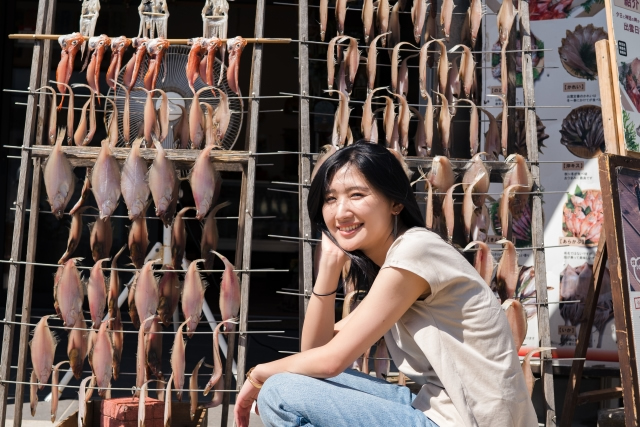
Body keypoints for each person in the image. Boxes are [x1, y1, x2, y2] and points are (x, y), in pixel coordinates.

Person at [234, 142, 537, 427]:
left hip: (469, 419)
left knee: (280, 391)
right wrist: (327, 270)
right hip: (443, 408)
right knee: (290, 381)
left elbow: (330, 361)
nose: (340, 212)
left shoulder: (414, 252)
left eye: (356, 195)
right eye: (330, 198)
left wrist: (257, 374)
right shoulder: (398, 261)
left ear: (395, 203)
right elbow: (316, 353)